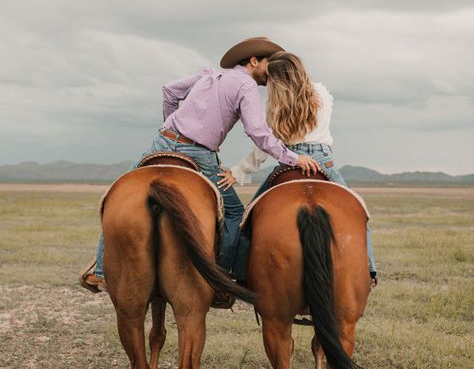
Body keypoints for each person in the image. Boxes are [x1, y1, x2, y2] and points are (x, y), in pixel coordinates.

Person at [80, 38, 319, 292]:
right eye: (268, 64)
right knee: (235, 212)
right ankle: (222, 277)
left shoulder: (210, 74)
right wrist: (293, 158)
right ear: (253, 61)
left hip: (162, 141)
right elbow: (258, 132)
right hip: (199, 153)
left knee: (119, 194)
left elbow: (169, 92)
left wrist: (172, 125)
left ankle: (100, 271)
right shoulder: (247, 86)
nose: (270, 72)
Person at [219, 51, 378, 286]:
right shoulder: (322, 93)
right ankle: (369, 272)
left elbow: (265, 147)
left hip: (290, 160)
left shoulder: (274, 105)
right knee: (358, 214)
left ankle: (240, 275)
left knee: (248, 219)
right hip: (324, 162)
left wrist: (239, 171)